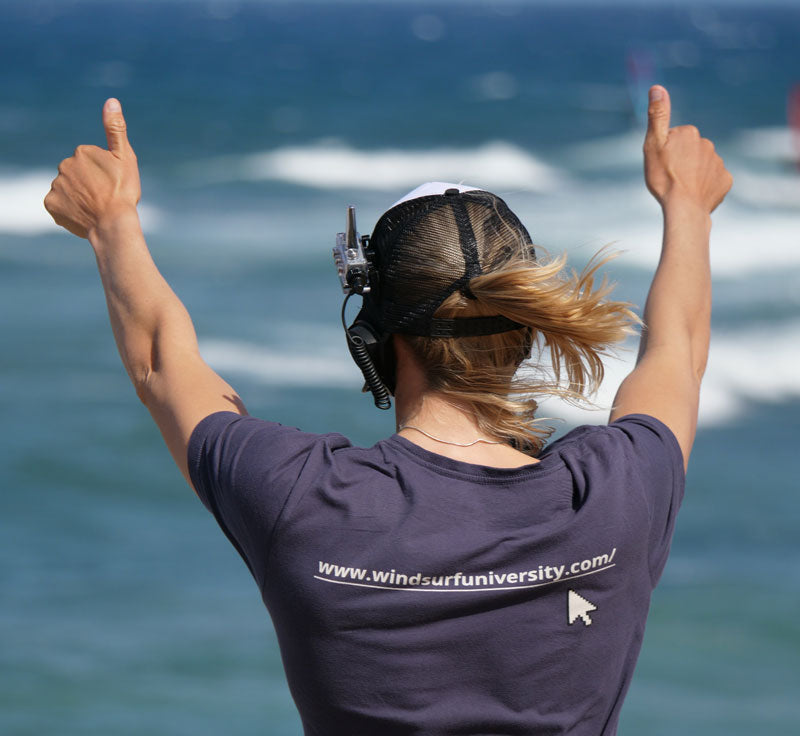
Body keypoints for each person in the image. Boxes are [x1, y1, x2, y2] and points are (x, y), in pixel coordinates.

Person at [44, 85, 731, 735]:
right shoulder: (619, 494)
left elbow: (162, 363)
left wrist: (111, 222)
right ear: (526, 329)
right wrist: (687, 205)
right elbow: (677, 353)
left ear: (373, 331)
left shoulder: (300, 496)